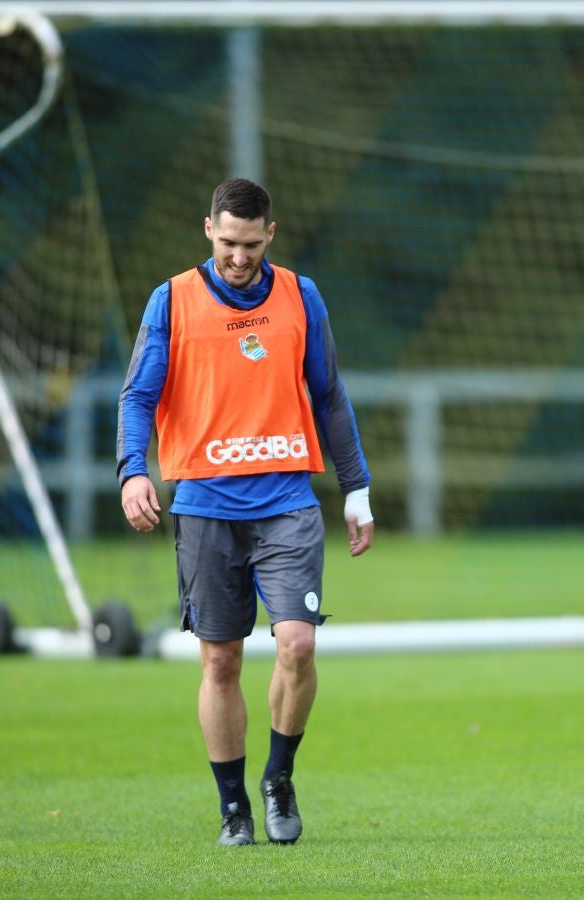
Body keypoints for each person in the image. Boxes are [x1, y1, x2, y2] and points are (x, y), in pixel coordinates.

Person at [117, 178, 375, 846]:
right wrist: (132, 472)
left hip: (287, 501)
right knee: (221, 663)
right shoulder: (170, 301)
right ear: (209, 230)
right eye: (227, 242)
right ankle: (234, 807)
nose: (238, 256)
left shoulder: (300, 295)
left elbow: (330, 394)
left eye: (250, 244)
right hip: (204, 507)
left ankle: (279, 777)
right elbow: (137, 396)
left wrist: (357, 489)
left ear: (271, 234)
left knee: (297, 642)